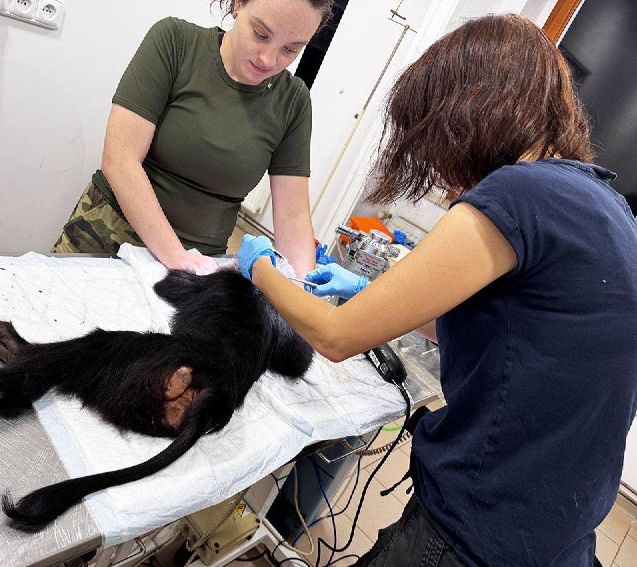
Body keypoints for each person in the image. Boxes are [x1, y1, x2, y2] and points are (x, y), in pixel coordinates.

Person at [237, 14, 637, 566]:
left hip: (476, 531)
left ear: (468, 115)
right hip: (556, 533)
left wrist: (258, 268)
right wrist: (368, 288)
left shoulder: (519, 194)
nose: (440, 172)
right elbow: (510, 334)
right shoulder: (603, 202)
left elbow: (333, 337)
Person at [52, 0, 334, 276]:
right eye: (260, 34)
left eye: (290, 49)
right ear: (237, 5)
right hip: (110, 232)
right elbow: (120, 160)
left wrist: (303, 290)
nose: (268, 59)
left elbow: (292, 217)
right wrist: (175, 256)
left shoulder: (293, 102)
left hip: (203, 259)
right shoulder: (175, 42)